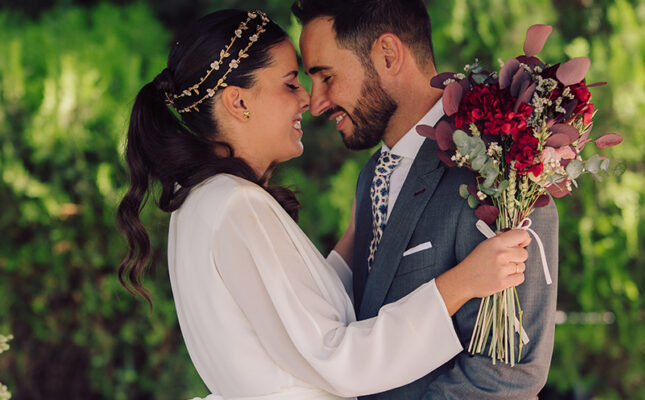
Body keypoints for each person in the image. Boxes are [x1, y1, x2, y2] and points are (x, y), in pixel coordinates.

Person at [117, 9, 532, 400]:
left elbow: (291, 319)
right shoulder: (236, 205)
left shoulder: (200, 203)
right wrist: (462, 283)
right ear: (238, 102)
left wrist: (359, 231)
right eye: (290, 83)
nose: (308, 101)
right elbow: (336, 358)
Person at [292, 0, 560, 399]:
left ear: (388, 55)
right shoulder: (371, 176)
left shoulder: (500, 169)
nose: (316, 103)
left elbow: (509, 373)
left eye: (327, 77)